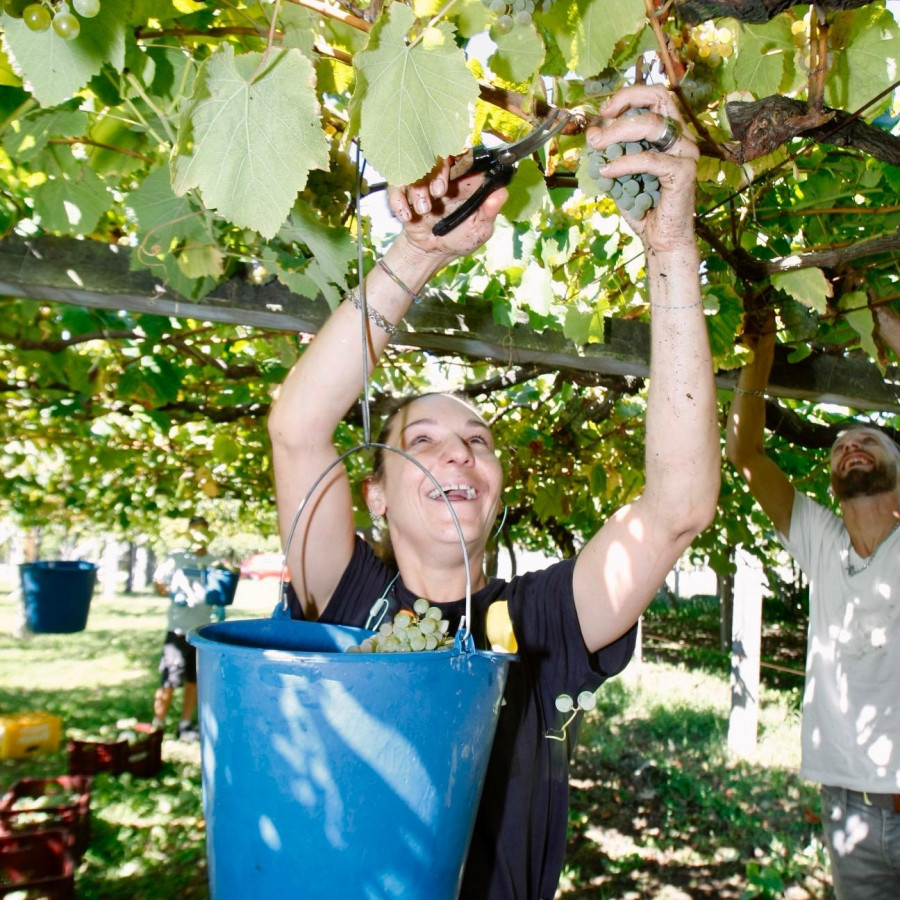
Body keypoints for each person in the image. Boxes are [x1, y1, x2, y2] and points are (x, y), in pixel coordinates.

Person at [267, 84, 720, 900]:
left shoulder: (537, 623)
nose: (459, 458)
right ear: (374, 495)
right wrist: (416, 254)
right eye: (424, 443)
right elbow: (298, 427)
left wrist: (672, 247)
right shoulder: (344, 595)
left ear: (498, 486)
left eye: (478, 444)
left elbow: (677, 509)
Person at [725, 306, 900, 900]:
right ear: (830, 481)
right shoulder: (822, 542)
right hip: (847, 806)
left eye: (869, 439)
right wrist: (761, 358)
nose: (851, 442)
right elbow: (746, 455)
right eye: (842, 443)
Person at [151, 515, 217, 742]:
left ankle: (185, 725)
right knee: (169, 678)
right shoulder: (177, 557)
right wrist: (171, 593)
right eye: (194, 530)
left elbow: (222, 590)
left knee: (194, 679)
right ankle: (157, 724)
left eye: (202, 530)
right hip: (179, 629)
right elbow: (158, 582)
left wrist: (220, 605)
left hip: (202, 631)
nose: (198, 536)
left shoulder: (212, 561)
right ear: (189, 533)